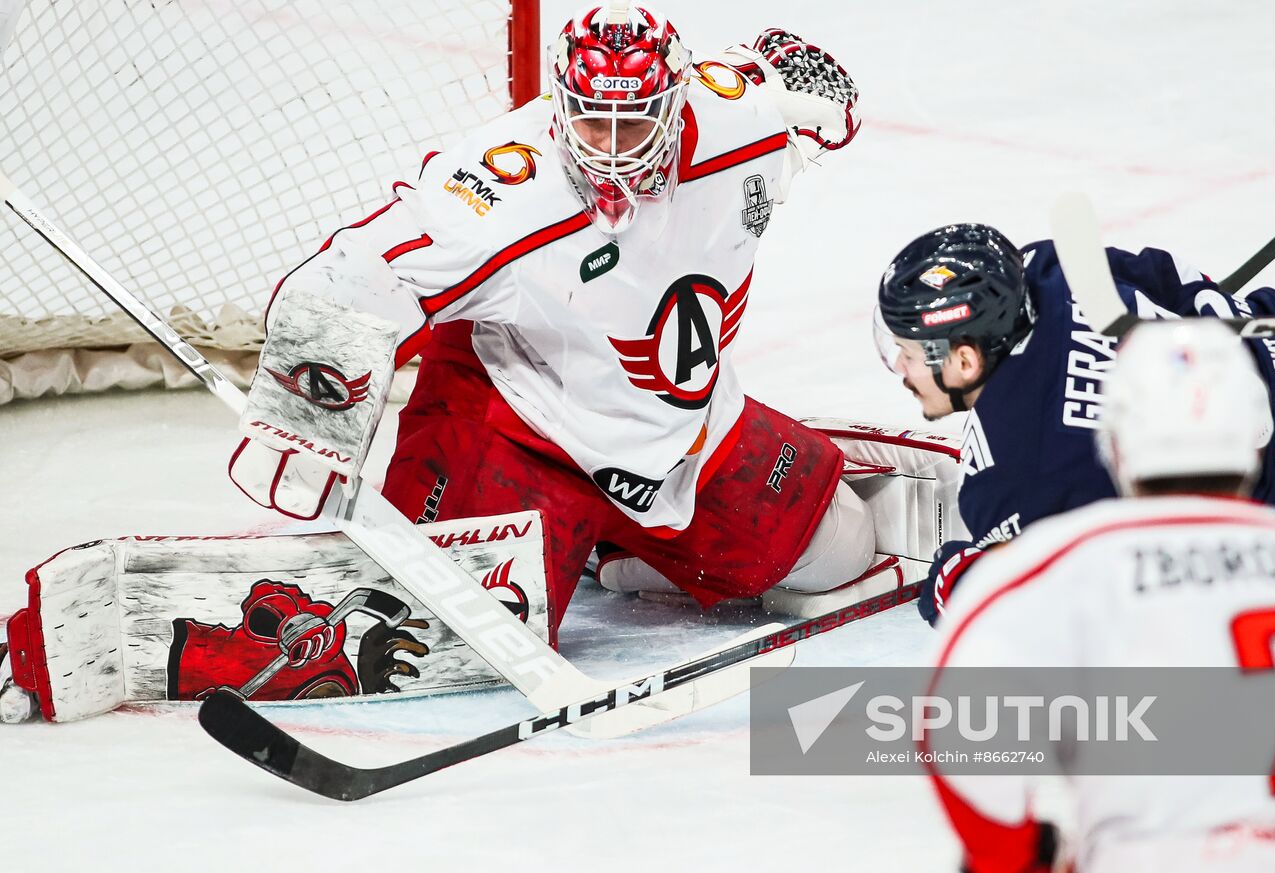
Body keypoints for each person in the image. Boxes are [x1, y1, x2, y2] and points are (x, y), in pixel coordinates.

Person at [224, 0, 912, 647]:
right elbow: (365, 272)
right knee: (459, 627)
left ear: (676, 105)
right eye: (592, 122)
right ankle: (566, 528)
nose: (613, 151)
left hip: (680, 438)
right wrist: (304, 417)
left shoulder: (742, 121)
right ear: (560, 106)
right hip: (521, 427)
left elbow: (789, 74)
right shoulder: (500, 191)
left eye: (636, 124)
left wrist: (814, 88)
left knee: (841, 549)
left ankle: (611, 546)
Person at [924, 321, 1275, 872]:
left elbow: (959, 723)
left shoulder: (1066, 559)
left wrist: (1016, 857)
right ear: (1255, 433)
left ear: (1117, 441)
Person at [873, 222, 1275, 622]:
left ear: (965, 361)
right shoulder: (1046, 269)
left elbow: (1051, 612)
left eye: (907, 352)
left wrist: (952, 582)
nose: (899, 367)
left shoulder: (1013, 482)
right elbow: (1170, 278)